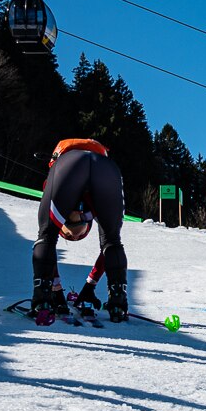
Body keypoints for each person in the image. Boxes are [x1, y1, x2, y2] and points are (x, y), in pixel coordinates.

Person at [34, 138, 129, 322]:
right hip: (105, 165)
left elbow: (47, 245)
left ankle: (42, 300)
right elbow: (108, 249)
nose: (75, 222)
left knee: (46, 235)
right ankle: (118, 304)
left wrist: (55, 291)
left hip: (70, 163)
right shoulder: (93, 209)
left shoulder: (70, 207)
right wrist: (90, 285)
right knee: (112, 241)